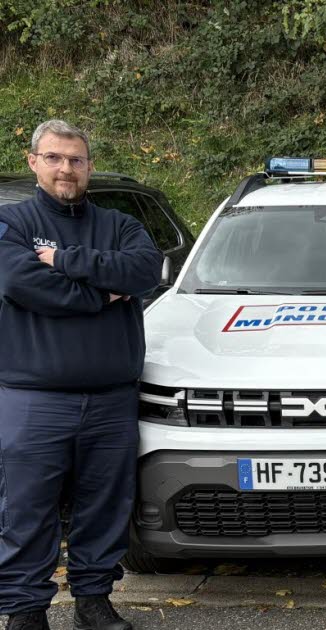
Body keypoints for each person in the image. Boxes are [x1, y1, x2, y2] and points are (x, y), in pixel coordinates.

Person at [0, 120, 163, 630]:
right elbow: (23, 283)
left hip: (112, 399)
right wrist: (101, 293)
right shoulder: (12, 224)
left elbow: (143, 270)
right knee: (26, 510)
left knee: (104, 506)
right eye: (53, 158)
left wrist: (66, 260)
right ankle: (25, 609)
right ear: (34, 163)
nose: (65, 168)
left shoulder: (120, 224)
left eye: (75, 159)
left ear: (89, 165)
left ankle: (93, 601)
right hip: (33, 399)